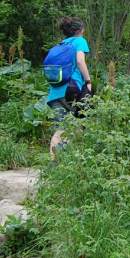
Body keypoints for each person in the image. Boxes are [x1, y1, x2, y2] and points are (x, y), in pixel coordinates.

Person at [47, 17, 92, 159]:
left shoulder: (59, 46)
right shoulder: (79, 41)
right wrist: (88, 81)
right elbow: (80, 60)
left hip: (55, 93)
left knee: (59, 129)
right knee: (81, 123)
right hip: (71, 92)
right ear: (79, 30)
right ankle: (64, 148)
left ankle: (53, 163)